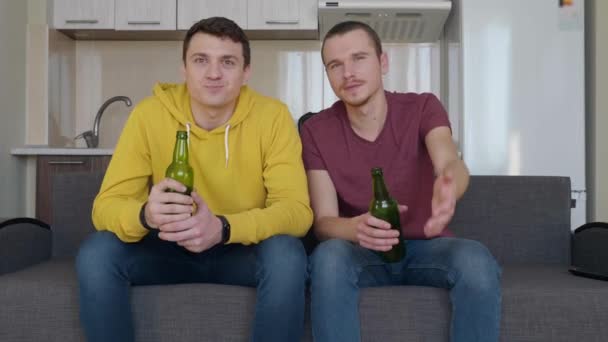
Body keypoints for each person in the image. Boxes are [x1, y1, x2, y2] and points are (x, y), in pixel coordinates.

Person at [76, 17, 313, 342]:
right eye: (201, 60)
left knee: (287, 253)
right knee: (97, 252)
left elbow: (297, 213)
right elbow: (104, 208)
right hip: (167, 249)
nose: (213, 73)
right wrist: (145, 214)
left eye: (227, 62)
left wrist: (224, 227)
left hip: (240, 250)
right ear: (184, 69)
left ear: (246, 72)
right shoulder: (148, 115)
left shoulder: (273, 116)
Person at [301, 21, 501, 342]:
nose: (348, 72)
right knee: (328, 258)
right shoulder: (315, 131)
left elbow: (450, 161)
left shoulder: (423, 106)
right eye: (335, 65)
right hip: (361, 252)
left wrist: (450, 183)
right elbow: (324, 222)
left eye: (359, 58)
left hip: (427, 248)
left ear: (383, 62)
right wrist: (356, 229)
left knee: (476, 260)